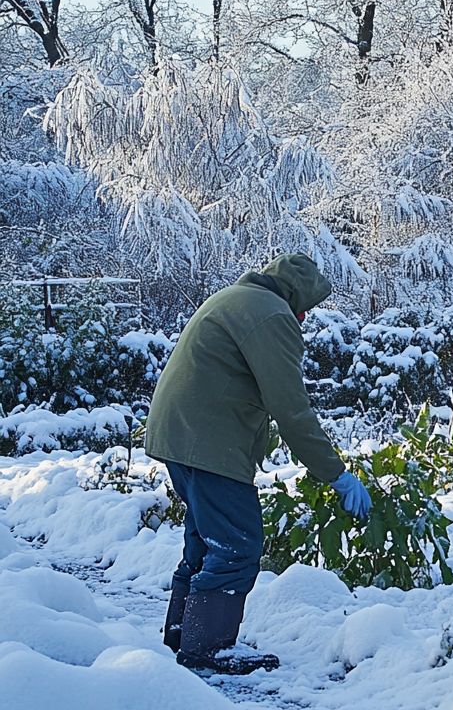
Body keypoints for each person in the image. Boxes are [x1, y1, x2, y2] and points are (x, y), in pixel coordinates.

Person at [145, 254, 372, 675]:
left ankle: (182, 634)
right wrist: (336, 474)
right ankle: (207, 649)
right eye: (305, 305)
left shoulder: (235, 297)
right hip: (211, 441)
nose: (305, 316)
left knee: (204, 541)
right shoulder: (272, 316)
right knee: (237, 545)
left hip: (176, 434)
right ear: (292, 296)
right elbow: (292, 410)